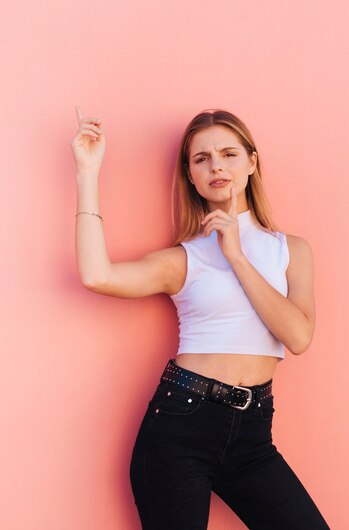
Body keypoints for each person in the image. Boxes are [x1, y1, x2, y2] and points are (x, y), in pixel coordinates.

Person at [71, 107, 331, 530]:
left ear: (252, 161)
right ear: (190, 175)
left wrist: (236, 256)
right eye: (201, 159)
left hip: (253, 435)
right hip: (181, 426)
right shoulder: (185, 259)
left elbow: (298, 336)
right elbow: (97, 276)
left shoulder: (292, 251)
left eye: (229, 154)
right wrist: (87, 172)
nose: (216, 167)